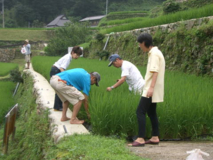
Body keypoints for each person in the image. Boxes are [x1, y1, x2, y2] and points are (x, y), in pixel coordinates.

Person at [129, 33, 165, 147]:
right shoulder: (156, 52)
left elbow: (155, 71)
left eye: (140, 44)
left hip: (150, 89)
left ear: (144, 43)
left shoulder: (154, 54)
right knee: (151, 112)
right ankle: (155, 137)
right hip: (152, 88)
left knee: (140, 111)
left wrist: (151, 88)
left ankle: (140, 139)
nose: (139, 46)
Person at [50, 46, 83, 111]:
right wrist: (65, 78)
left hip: (55, 70)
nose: (77, 57)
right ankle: (57, 107)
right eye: (77, 55)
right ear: (73, 52)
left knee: (59, 89)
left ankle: (57, 107)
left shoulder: (68, 57)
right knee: (60, 88)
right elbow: (61, 68)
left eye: (78, 56)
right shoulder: (68, 58)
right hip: (56, 71)